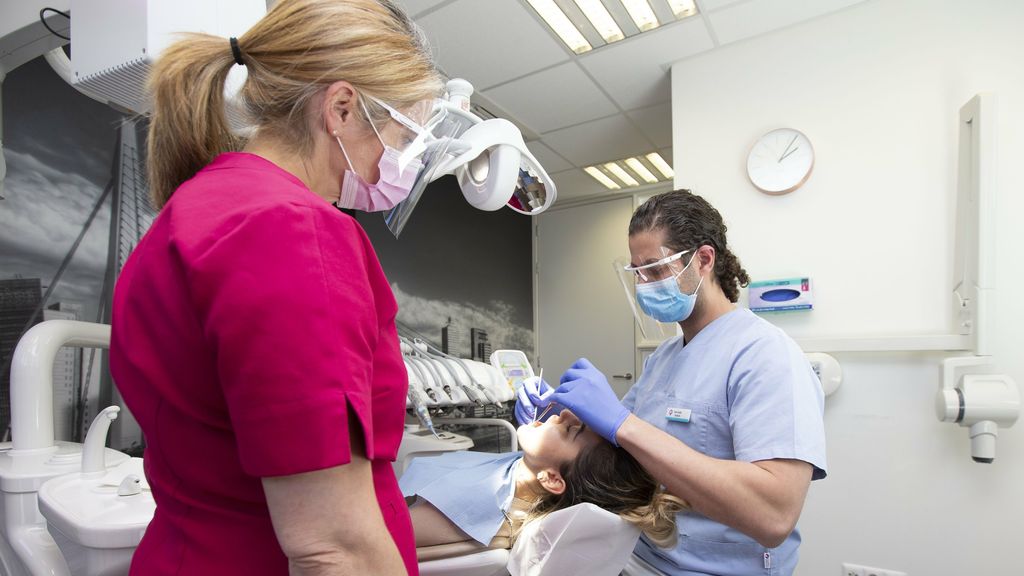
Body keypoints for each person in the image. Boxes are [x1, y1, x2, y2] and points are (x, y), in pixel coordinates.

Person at [109, 1, 444, 574]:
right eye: (403, 134)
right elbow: (334, 546)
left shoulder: (195, 210)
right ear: (340, 108)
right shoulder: (294, 229)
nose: (404, 162)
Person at [518, 190, 827, 575]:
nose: (644, 283)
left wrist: (624, 424)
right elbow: (618, 450)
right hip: (640, 555)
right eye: (637, 272)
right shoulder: (663, 358)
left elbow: (773, 514)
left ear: (703, 260)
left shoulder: (766, 355)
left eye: (656, 269)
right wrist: (557, 411)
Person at [401, 410, 686, 553]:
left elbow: (377, 535)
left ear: (551, 478)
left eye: (571, 429)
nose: (563, 414)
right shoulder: (523, 485)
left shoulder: (476, 504)